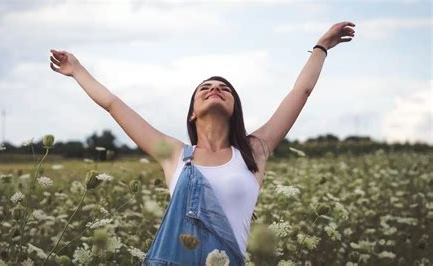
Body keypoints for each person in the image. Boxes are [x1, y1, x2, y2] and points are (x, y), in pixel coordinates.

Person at [49, 21, 355, 265]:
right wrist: (77, 70)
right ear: (193, 113)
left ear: (235, 106)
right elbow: (114, 104)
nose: (215, 89)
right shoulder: (174, 155)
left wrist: (321, 47)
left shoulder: (254, 151)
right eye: (205, 88)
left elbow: (300, 92)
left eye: (224, 88)